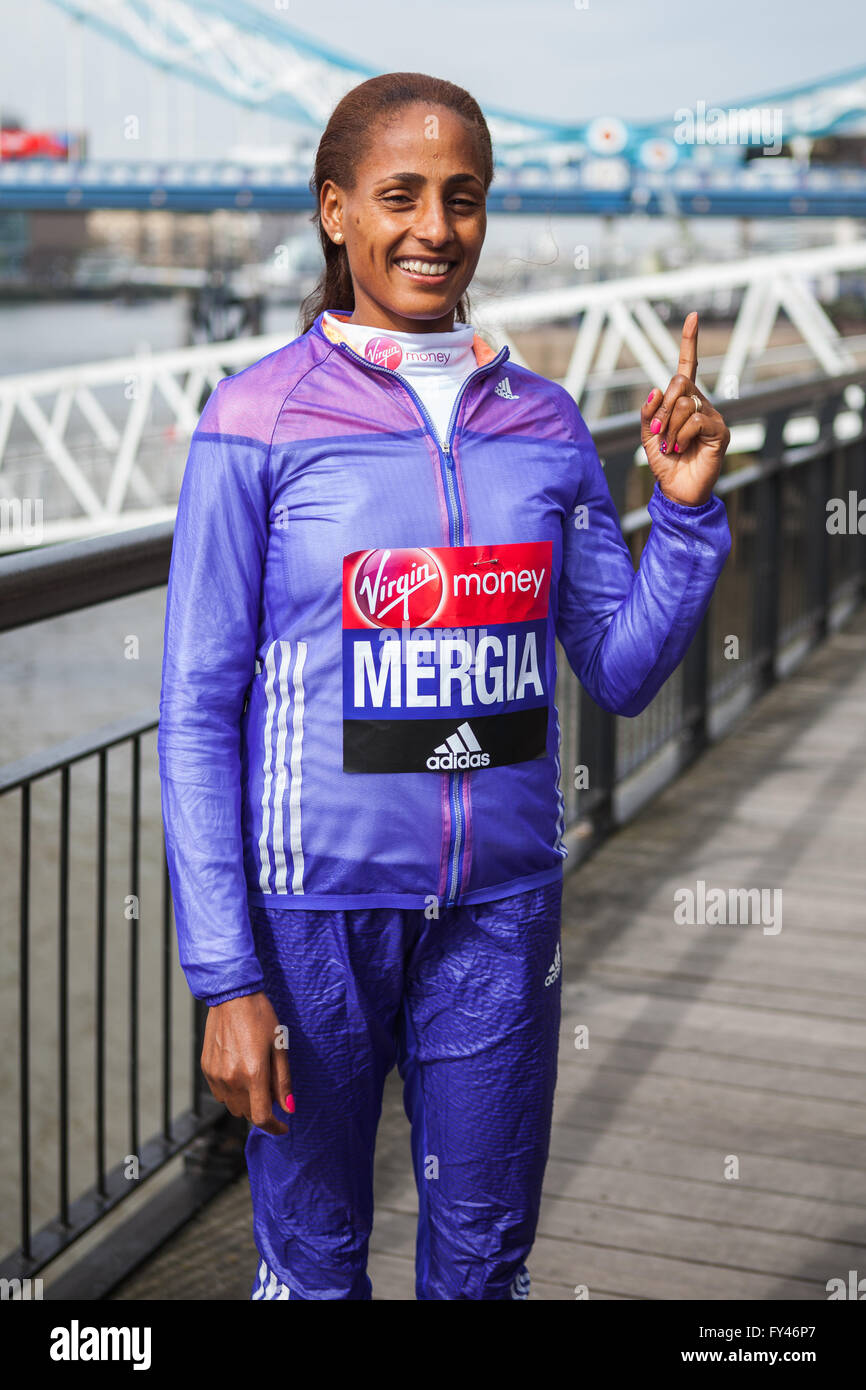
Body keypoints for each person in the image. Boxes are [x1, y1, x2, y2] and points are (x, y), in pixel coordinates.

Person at [157, 71, 732, 1301]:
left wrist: (678, 521)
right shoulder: (252, 422)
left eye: (460, 198)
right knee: (313, 1271)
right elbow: (198, 713)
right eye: (399, 194)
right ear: (334, 210)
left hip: (500, 913)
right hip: (313, 918)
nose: (432, 227)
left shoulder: (545, 423)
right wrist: (225, 978)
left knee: (480, 1270)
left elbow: (621, 672)